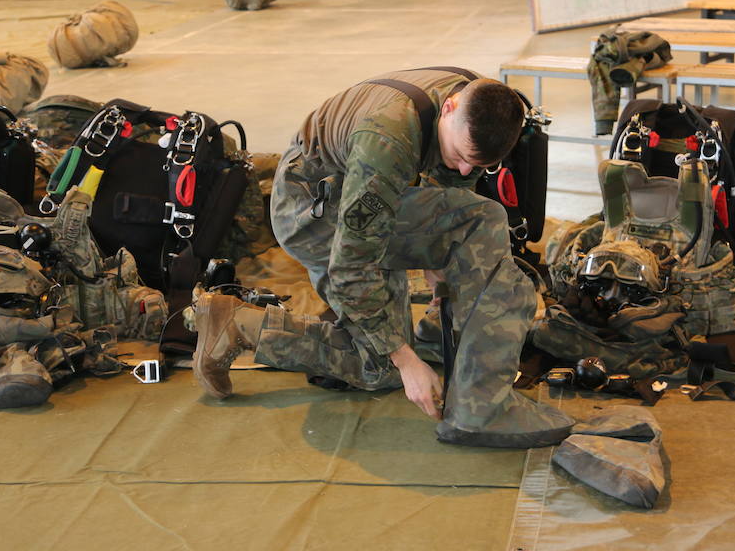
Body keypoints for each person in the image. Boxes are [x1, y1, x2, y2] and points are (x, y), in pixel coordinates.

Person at [191, 67, 574, 448]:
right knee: (379, 368)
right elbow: (351, 267)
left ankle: (436, 341)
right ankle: (239, 323)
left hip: (356, 194)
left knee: (479, 216)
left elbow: (451, 188)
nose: (464, 169)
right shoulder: (387, 142)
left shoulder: (471, 99)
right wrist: (405, 361)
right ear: (450, 108)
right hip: (313, 217)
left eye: (480, 166)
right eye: (459, 155)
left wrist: (437, 263)